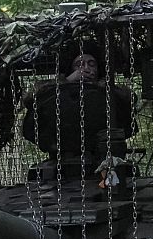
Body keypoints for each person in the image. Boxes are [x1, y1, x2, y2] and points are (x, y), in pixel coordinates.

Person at [22, 42, 135, 180]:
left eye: (91, 64)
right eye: (79, 65)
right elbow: (29, 98)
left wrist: (99, 86)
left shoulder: (110, 91)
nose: (86, 69)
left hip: (101, 156)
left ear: (99, 69)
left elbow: (129, 100)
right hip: (61, 158)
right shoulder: (52, 92)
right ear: (71, 69)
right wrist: (68, 81)